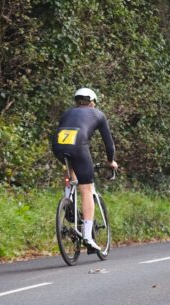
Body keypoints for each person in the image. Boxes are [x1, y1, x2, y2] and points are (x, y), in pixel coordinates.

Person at [52, 88, 118, 251]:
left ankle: (68, 201)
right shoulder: (99, 115)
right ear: (93, 103)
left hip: (58, 147)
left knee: (70, 170)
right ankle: (87, 236)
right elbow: (109, 145)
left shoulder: (67, 113)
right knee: (87, 189)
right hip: (79, 147)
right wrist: (111, 161)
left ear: (77, 102)